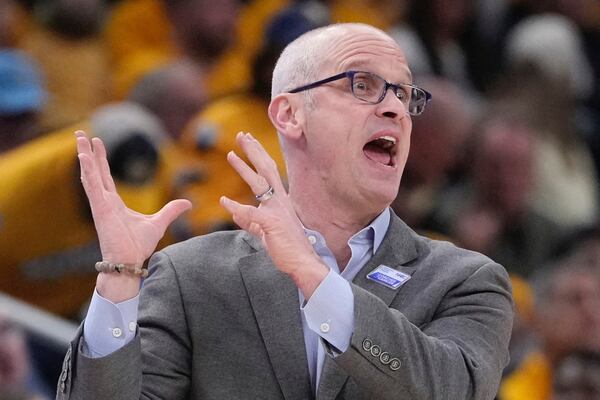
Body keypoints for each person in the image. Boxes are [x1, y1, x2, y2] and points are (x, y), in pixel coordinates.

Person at [56, 23, 513, 399]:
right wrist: (117, 281)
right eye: (364, 85)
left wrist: (314, 276)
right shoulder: (188, 275)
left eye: (404, 94)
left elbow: (455, 389)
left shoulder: (467, 280)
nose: (395, 108)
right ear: (290, 115)